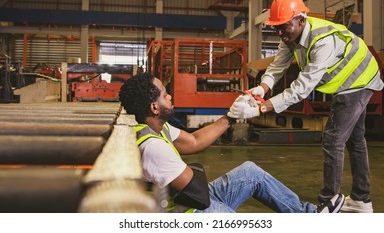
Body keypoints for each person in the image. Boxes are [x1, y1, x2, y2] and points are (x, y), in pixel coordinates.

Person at [229, 0, 384, 213]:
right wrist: (261, 88)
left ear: (301, 20)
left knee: (333, 139)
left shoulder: (322, 42)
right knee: (355, 139)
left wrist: (261, 108)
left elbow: (301, 88)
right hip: (350, 82)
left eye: (284, 26)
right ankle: (361, 199)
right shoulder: (290, 37)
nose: (281, 33)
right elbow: (277, 66)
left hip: (358, 80)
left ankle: (330, 201)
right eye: (277, 28)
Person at [119, 72, 344, 213]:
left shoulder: (157, 127)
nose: (170, 97)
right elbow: (197, 190)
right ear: (154, 107)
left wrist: (231, 116)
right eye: (165, 94)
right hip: (183, 213)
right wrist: (194, 172)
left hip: (188, 198)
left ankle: (309, 217)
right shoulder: (152, 146)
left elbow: (195, 141)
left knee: (250, 173)